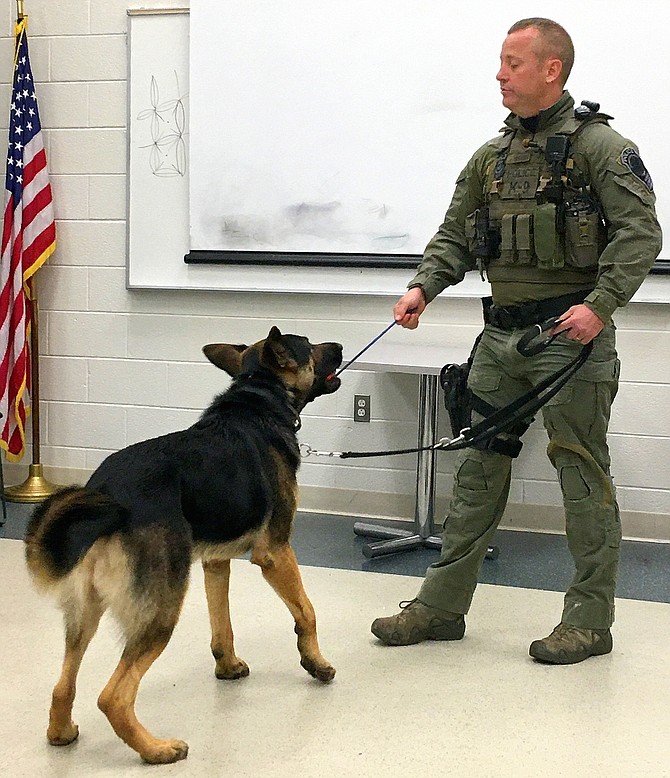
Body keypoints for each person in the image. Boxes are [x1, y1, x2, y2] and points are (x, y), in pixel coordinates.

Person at [371, 17, 662, 664]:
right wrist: (424, 287)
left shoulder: (602, 148)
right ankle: (442, 607)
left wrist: (599, 306)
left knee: (581, 473)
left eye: (512, 62)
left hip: (569, 338)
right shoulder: (491, 158)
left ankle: (589, 621)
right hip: (500, 340)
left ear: (551, 70)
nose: (499, 74)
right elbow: (453, 234)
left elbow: (641, 234)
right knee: (477, 469)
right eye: (500, 63)